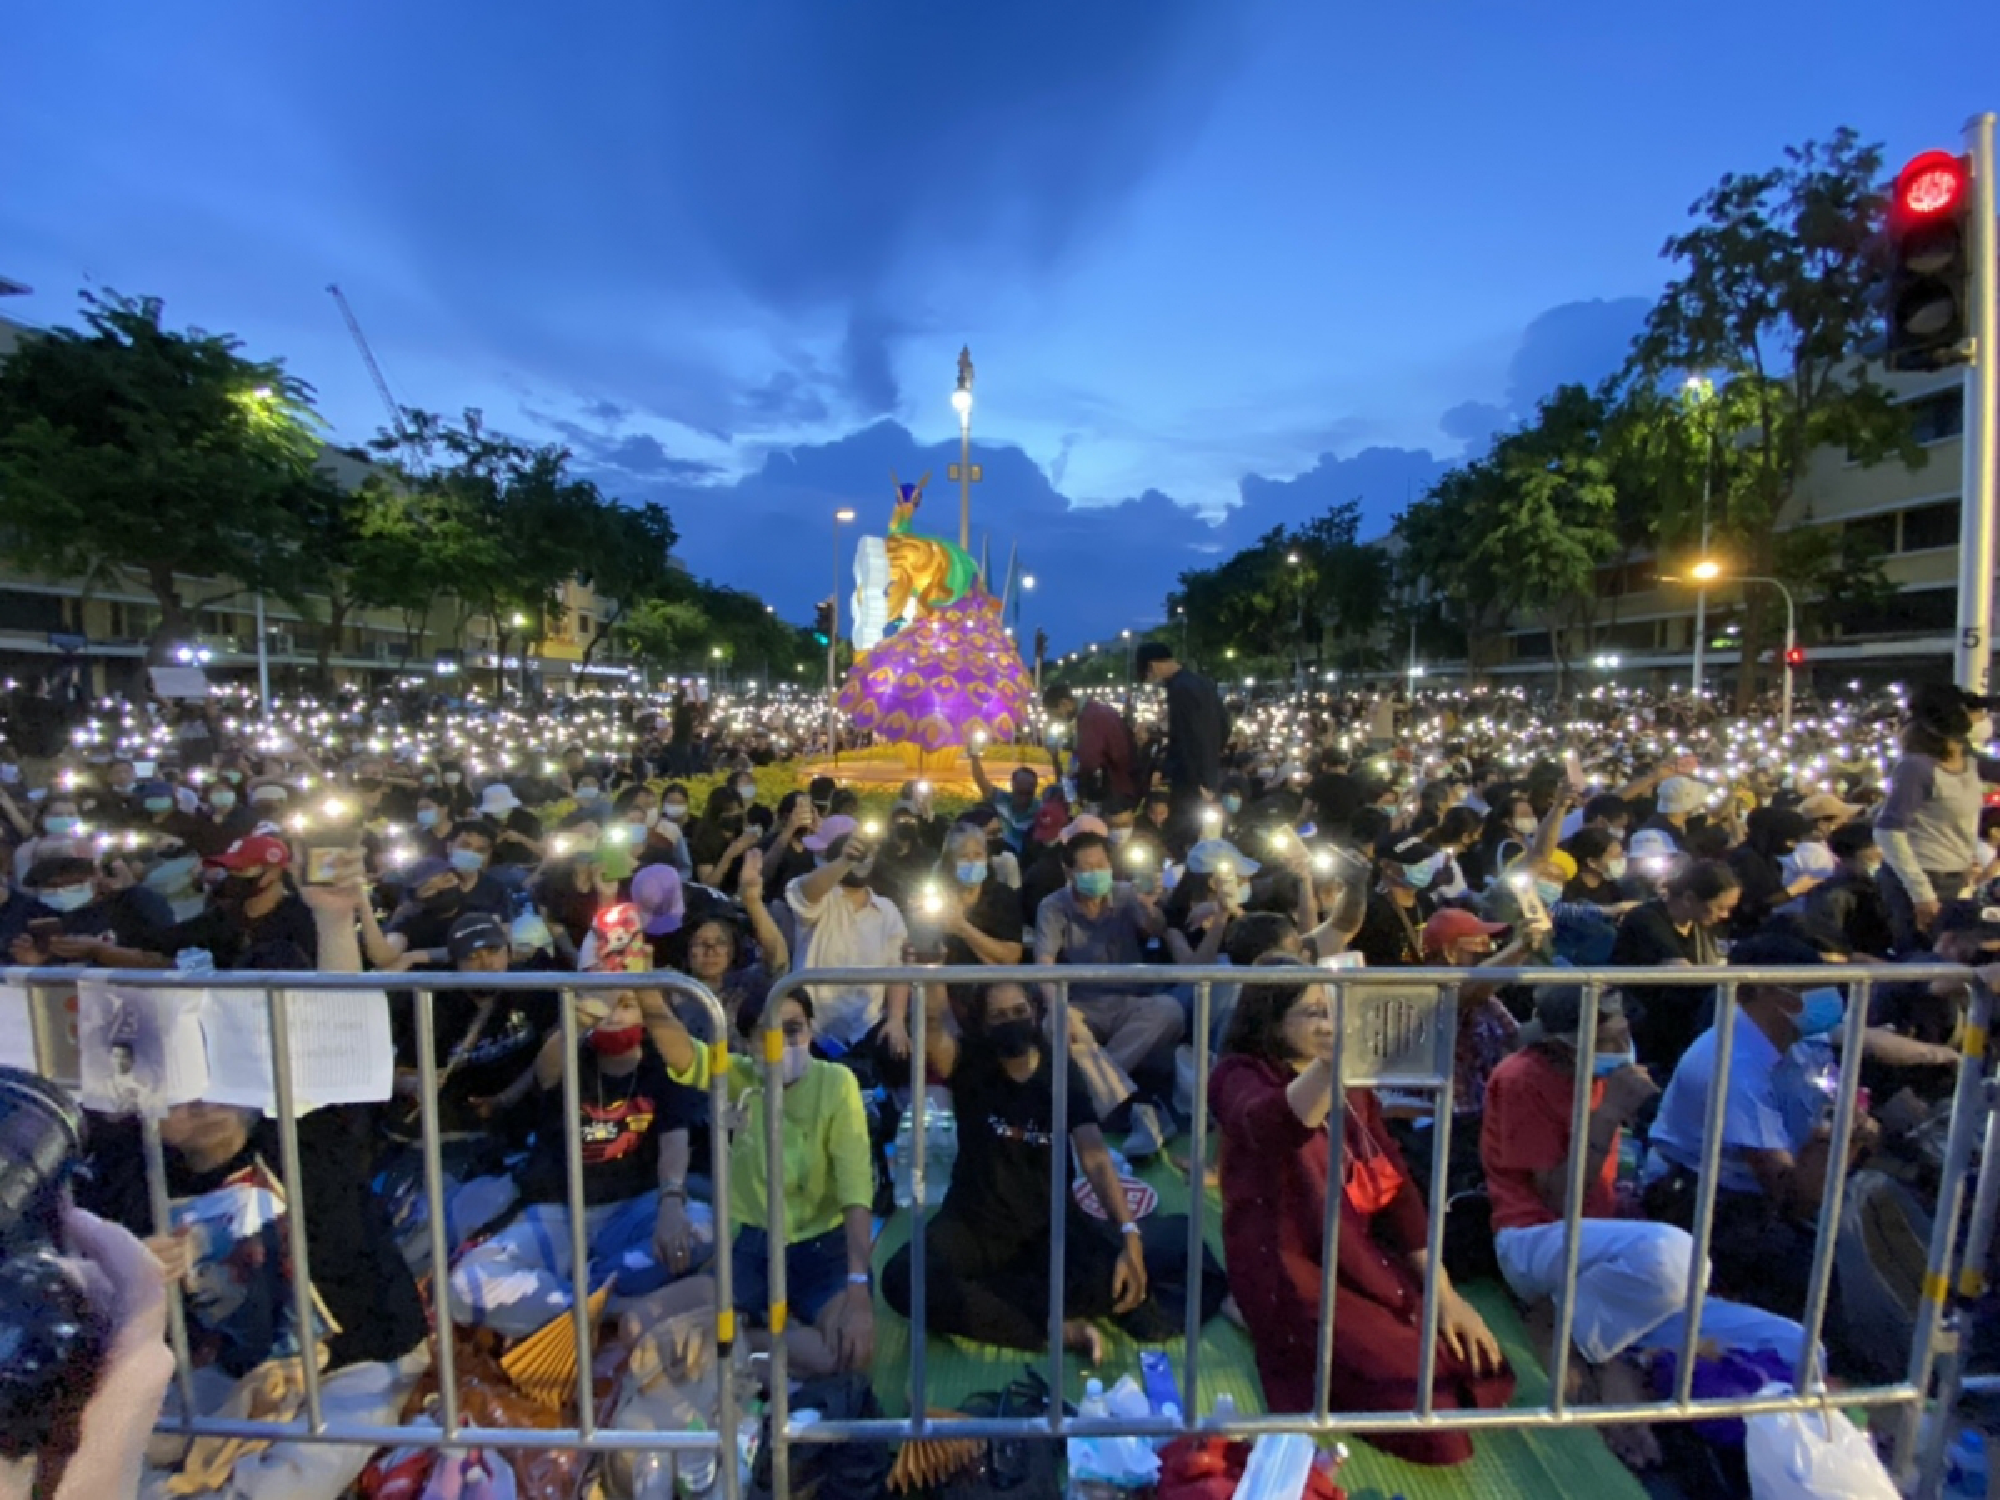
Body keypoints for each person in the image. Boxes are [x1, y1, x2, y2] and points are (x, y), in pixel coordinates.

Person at [1481, 984, 1807, 1471]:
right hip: (1534, 1241)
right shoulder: (1521, 1076)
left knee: (1800, 1347)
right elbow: (1557, 1198)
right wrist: (1610, 1112)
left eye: (1623, 1035)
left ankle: (1612, 1351)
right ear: (1566, 1045)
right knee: (1679, 1255)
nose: (1621, 1049)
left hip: (1603, 1262)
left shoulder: (1596, 1077)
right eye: (1609, 1041)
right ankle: (1596, 1349)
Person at [1212, 960, 1513, 1465]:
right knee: (1436, 1432)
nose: (1330, 1023)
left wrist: (1444, 1295)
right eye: (1313, 1012)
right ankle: (1253, 1317)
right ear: (1270, 1021)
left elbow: (1395, 1187)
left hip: (1358, 1258)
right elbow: (1270, 1124)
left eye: (1334, 1010)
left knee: (1486, 1370)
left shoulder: (1353, 1083)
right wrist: (1328, 1068)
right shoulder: (1238, 1074)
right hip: (1291, 1274)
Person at [882, 981, 1225, 1357]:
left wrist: (1129, 1234)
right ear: (982, 1024)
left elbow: (1094, 1155)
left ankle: (1007, 1302)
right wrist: (928, 965)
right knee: (904, 1279)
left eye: (1018, 1012)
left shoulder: (1060, 1070)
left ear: (1034, 1014)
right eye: (998, 1016)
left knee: (1123, 1285)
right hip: (973, 1222)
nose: (1011, 1022)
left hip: (1049, 1225)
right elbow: (932, 1026)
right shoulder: (969, 1062)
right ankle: (1049, 1330)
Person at [623, 992, 877, 1378]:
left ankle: (737, 1341)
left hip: (824, 1250)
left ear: (811, 1030)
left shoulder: (837, 1083)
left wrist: (859, 1289)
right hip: (751, 1248)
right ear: (747, 1043)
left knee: (846, 1353)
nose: (782, 1043)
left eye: (793, 1029)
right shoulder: (736, 1075)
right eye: (766, 1033)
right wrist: (648, 990)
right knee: (635, 1326)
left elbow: (856, 1191)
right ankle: (760, 1340)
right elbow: (681, 1052)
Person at [1644, 932, 1880, 1319]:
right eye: (1814, 987)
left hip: (1792, 1174)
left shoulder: (1805, 1039)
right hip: (1704, 1198)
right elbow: (1791, 1197)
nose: (1829, 995)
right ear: (1773, 992)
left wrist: (1856, 1128)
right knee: (1818, 1273)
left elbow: (1837, 1099)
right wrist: (1838, 1145)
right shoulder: (1731, 1065)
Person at [449, 987, 706, 1335]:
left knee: (705, 1227)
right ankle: (608, 1306)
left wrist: (672, 1202)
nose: (614, 1012)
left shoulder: (662, 1065)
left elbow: (675, 1140)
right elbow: (546, 1068)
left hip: (631, 1212)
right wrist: (583, 1013)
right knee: (465, 1286)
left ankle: (566, 1297)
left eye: (626, 1004)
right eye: (607, 1003)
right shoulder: (569, 1055)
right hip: (559, 1212)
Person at [375, 912, 555, 1271]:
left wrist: (507, 1099)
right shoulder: (432, 1003)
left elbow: (555, 1048)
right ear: (456, 964)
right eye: (473, 956)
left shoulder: (535, 986)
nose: (486, 963)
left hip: (514, 1125)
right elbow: (389, 1070)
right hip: (443, 1130)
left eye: (493, 951)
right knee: (417, 1221)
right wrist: (415, 1083)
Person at [1033, 830, 1181, 1156]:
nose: (1097, 873)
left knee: (1170, 1009)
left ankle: (1092, 1096)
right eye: (1087, 868)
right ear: (1069, 872)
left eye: (1102, 865)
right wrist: (1059, 1008)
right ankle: (1141, 1111)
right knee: (1052, 1025)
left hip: (1131, 1002)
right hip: (1083, 1004)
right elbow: (1044, 965)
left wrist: (1148, 906)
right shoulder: (1052, 907)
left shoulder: (1127, 895)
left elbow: (1155, 929)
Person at [1875, 681, 2000, 951]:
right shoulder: (1917, 767)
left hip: (1955, 876)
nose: (1983, 719)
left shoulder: (1969, 761)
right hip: (1922, 879)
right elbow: (1888, 831)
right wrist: (1921, 894)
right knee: (1926, 963)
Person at [785, 816, 912, 1064]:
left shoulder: (887, 910)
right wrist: (844, 861)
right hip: (813, 1033)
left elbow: (898, 968)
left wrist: (896, 1019)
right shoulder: (819, 895)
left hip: (865, 1033)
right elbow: (806, 894)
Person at [1609, 859, 1739, 1075]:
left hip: (1681, 1021)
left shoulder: (1700, 927)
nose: (1724, 916)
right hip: (1646, 1025)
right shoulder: (1646, 919)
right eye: (1720, 908)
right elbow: (1680, 969)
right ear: (1689, 898)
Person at [1135, 642, 1227, 836]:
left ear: (1152, 666)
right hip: (1209, 772)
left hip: (1191, 778)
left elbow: (1190, 736)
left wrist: (1199, 779)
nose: (1154, 681)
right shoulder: (1202, 682)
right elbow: (1225, 724)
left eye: (1149, 677)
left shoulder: (1179, 688)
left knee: (1183, 834)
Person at [1351, 833, 1445, 967]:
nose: (1423, 865)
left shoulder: (1425, 901)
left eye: (1424, 859)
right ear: (1386, 866)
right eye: (1414, 862)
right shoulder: (1371, 911)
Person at [1805, 821, 1895, 958]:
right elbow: (1828, 939)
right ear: (1862, 851)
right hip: (1860, 964)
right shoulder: (1835, 893)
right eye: (1879, 846)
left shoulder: (1876, 884)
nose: (1883, 852)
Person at [1042, 681, 1141, 803]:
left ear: (1064, 703)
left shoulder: (1090, 718)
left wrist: (1070, 773)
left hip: (1113, 789)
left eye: (1054, 713)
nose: (1056, 718)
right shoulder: (1096, 710)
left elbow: (1090, 761)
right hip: (1123, 782)